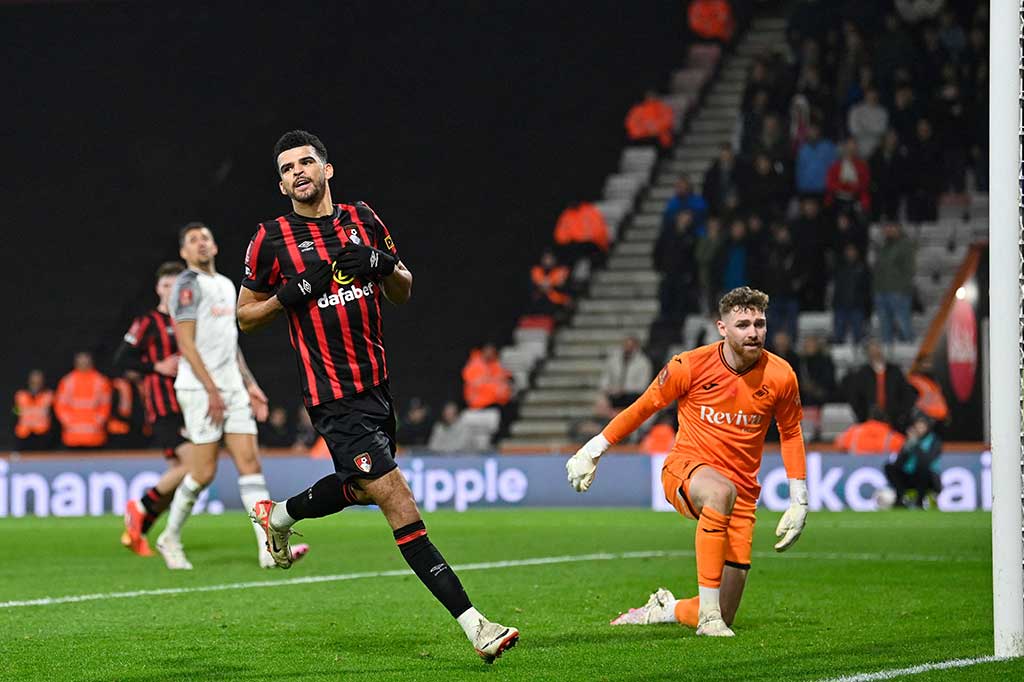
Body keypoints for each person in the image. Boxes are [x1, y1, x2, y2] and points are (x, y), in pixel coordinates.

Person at [235, 130, 518, 663]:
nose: (298, 172)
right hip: (331, 394)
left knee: (363, 488)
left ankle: (279, 515)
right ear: (280, 184)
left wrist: (383, 264)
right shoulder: (270, 238)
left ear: (327, 169)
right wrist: (287, 296)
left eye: (306, 162)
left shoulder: (362, 218)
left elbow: (403, 287)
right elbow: (245, 318)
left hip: (377, 387)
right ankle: (475, 624)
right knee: (397, 498)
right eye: (287, 168)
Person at [567, 287, 808, 637]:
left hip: (741, 495)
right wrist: (593, 450)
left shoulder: (781, 375)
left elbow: (791, 433)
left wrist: (799, 499)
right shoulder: (689, 365)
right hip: (685, 471)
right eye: (742, 324)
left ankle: (671, 609)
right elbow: (643, 407)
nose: (753, 332)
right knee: (719, 492)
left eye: (759, 323)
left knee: (729, 610)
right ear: (722, 328)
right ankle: (708, 620)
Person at [156, 222, 290, 572]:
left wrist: (250, 383)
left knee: (250, 464)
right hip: (199, 389)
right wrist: (212, 390)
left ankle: (266, 547)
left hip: (230, 386)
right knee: (203, 473)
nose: (201, 244)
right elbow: (186, 344)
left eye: (205, 239)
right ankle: (169, 537)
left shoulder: (227, 285)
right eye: (192, 241)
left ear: (215, 247)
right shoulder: (186, 285)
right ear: (184, 253)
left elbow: (230, 344)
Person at [113, 260, 196, 557]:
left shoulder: (189, 321)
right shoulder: (148, 322)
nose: (170, 291)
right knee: (193, 466)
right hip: (163, 406)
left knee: (179, 473)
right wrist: (156, 366)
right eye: (165, 285)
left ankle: (138, 531)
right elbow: (121, 360)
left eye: (176, 286)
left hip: (190, 403)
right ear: (157, 289)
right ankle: (140, 507)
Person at [843, 339, 916, 428]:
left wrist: (901, 415)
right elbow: (855, 398)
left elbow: (907, 395)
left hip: (894, 421)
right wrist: (863, 418)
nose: (876, 353)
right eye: (872, 351)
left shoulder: (895, 371)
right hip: (870, 422)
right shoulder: (861, 374)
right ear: (867, 354)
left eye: (877, 349)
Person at [884, 412, 942, 508]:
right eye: (917, 426)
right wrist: (907, 446)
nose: (919, 429)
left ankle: (919, 501)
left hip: (929, 479)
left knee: (922, 469)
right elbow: (899, 462)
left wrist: (916, 445)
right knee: (889, 467)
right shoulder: (910, 440)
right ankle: (902, 498)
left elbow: (926, 461)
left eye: (922, 426)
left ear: (927, 427)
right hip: (912, 476)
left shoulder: (935, 441)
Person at [54, 352, 112, 448]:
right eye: (81, 363)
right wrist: (70, 423)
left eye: (86, 363)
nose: (83, 365)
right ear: (75, 363)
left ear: (91, 363)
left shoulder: (101, 381)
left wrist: (96, 423)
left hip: (95, 437)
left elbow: (105, 407)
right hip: (72, 437)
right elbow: (60, 407)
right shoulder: (67, 381)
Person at [872, 222, 915, 344]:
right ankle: (888, 357)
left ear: (898, 228)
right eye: (887, 227)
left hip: (898, 292)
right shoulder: (884, 245)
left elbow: (910, 270)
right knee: (885, 327)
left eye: (892, 226)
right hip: (881, 291)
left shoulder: (905, 245)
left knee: (903, 324)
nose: (888, 229)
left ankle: (911, 352)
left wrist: (903, 288)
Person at [600, 336, 653, 408]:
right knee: (601, 402)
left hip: (633, 396)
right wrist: (608, 389)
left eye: (631, 347)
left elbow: (642, 386)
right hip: (613, 394)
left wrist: (624, 389)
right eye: (626, 346)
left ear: (636, 347)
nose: (628, 349)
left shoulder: (644, 363)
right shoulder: (613, 360)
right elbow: (605, 378)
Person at [13, 369, 54, 451]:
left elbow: (52, 415)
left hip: (42, 435)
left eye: (38, 381)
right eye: (33, 381)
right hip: (24, 435)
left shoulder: (49, 396)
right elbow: (15, 413)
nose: (36, 383)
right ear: (29, 381)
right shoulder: (20, 396)